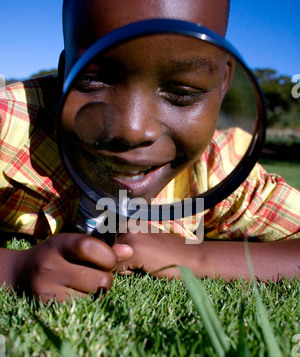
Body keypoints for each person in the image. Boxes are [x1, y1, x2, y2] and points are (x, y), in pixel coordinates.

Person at [0, 0, 299, 303]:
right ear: (65, 74)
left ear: (222, 84)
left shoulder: (219, 168)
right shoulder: (9, 127)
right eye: (93, 79)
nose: (132, 130)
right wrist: (14, 268)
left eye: (182, 92)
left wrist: (194, 257)